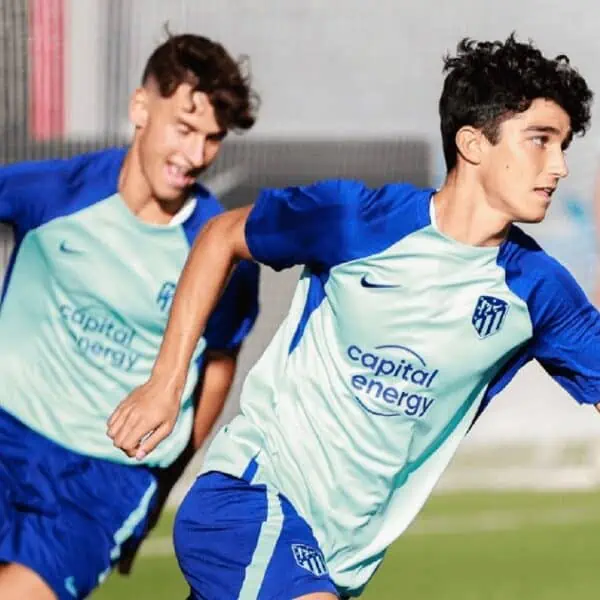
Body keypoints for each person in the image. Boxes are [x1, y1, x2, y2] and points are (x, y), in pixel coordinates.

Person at [108, 34, 598, 599]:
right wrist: (165, 385)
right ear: (472, 144)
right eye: (540, 140)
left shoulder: (539, 291)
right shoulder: (356, 221)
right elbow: (221, 237)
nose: (558, 166)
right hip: (250, 497)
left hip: (338, 560)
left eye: (562, 145)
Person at [0, 32, 260, 600]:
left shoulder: (219, 251)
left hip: (103, 480)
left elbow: (218, 367)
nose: (196, 156)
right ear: (140, 109)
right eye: (184, 130)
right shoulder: (55, 193)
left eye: (212, 139)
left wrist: (162, 487)